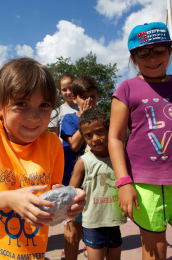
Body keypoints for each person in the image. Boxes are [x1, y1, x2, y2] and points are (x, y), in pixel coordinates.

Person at [0, 57, 86, 260]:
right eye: (21, 104)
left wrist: (68, 199)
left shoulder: (52, 143)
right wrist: (9, 199)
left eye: (44, 105)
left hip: (30, 253)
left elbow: (52, 189)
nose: (34, 116)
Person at [108, 22, 172, 260]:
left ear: (170, 51)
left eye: (159, 50)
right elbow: (115, 138)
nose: (152, 58)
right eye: (143, 52)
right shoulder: (127, 88)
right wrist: (124, 182)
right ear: (133, 58)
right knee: (156, 250)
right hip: (144, 183)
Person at [69, 108, 126, 260]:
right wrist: (70, 224)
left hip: (114, 221)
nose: (95, 139)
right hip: (92, 224)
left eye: (100, 132)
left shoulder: (119, 157)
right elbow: (70, 194)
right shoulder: (83, 162)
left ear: (109, 130)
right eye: (88, 136)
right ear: (83, 138)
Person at [61, 76, 99, 260]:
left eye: (92, 96)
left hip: (97, 184)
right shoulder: (69, 119)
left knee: (95, 234)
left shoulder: (102, 119)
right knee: (73, 232)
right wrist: (84, 118)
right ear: (74, 98)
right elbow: (75, 145)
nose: (89, 101)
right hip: (74, 182)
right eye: (84, 97)